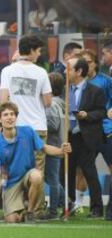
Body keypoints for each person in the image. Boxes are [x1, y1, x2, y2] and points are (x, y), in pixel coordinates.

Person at [0, 102, 71, 223]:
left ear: (16, 117)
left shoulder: (27, 131)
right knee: (12, 220)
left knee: (37, 176)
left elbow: (45, 148)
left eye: (12, 114)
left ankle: (30, 212)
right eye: (5, 115)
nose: (10, 117)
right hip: (11, 183)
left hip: (28, 175)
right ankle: (22, 209)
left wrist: (61, 150)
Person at [0, 34, 52, 211]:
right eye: (38, 51)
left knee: (16, 169)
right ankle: (35, 210)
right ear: (31, 51)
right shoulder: (41, 72)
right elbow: (48, 102)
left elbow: (3, 99)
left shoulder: (7, 71)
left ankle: (17, 207)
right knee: (37, 171)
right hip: (37, 127)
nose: (39, 54)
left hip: (14, 127)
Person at [66, 56, 105, 218]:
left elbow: (102, 112)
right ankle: (69, 205)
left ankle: (96, 208)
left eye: (68, 69)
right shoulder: (64, 89)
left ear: (79, 71)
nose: (65, 72)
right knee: (67, 173)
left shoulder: (96, 90)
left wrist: (87, 115)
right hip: (67, 137)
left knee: (89, 172)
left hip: (86, 137)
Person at [80, 49, 112, 220]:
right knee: (87, 170)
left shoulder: (106, 81)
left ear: (95, 63)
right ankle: (95, 207)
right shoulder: (79, 83)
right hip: (87, 132)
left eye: (89, 61)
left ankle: (110, 211)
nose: (87, 65)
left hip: (107, 131)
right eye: (83, 62)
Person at [39, 72, 66, 220]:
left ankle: (53, 211)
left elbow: (53, 124)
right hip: (56, 144)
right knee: (51, 179)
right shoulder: (60, 101)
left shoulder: (52, 104)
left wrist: (37, 120)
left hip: (52, 145)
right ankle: (67, 202)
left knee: (52, 179)